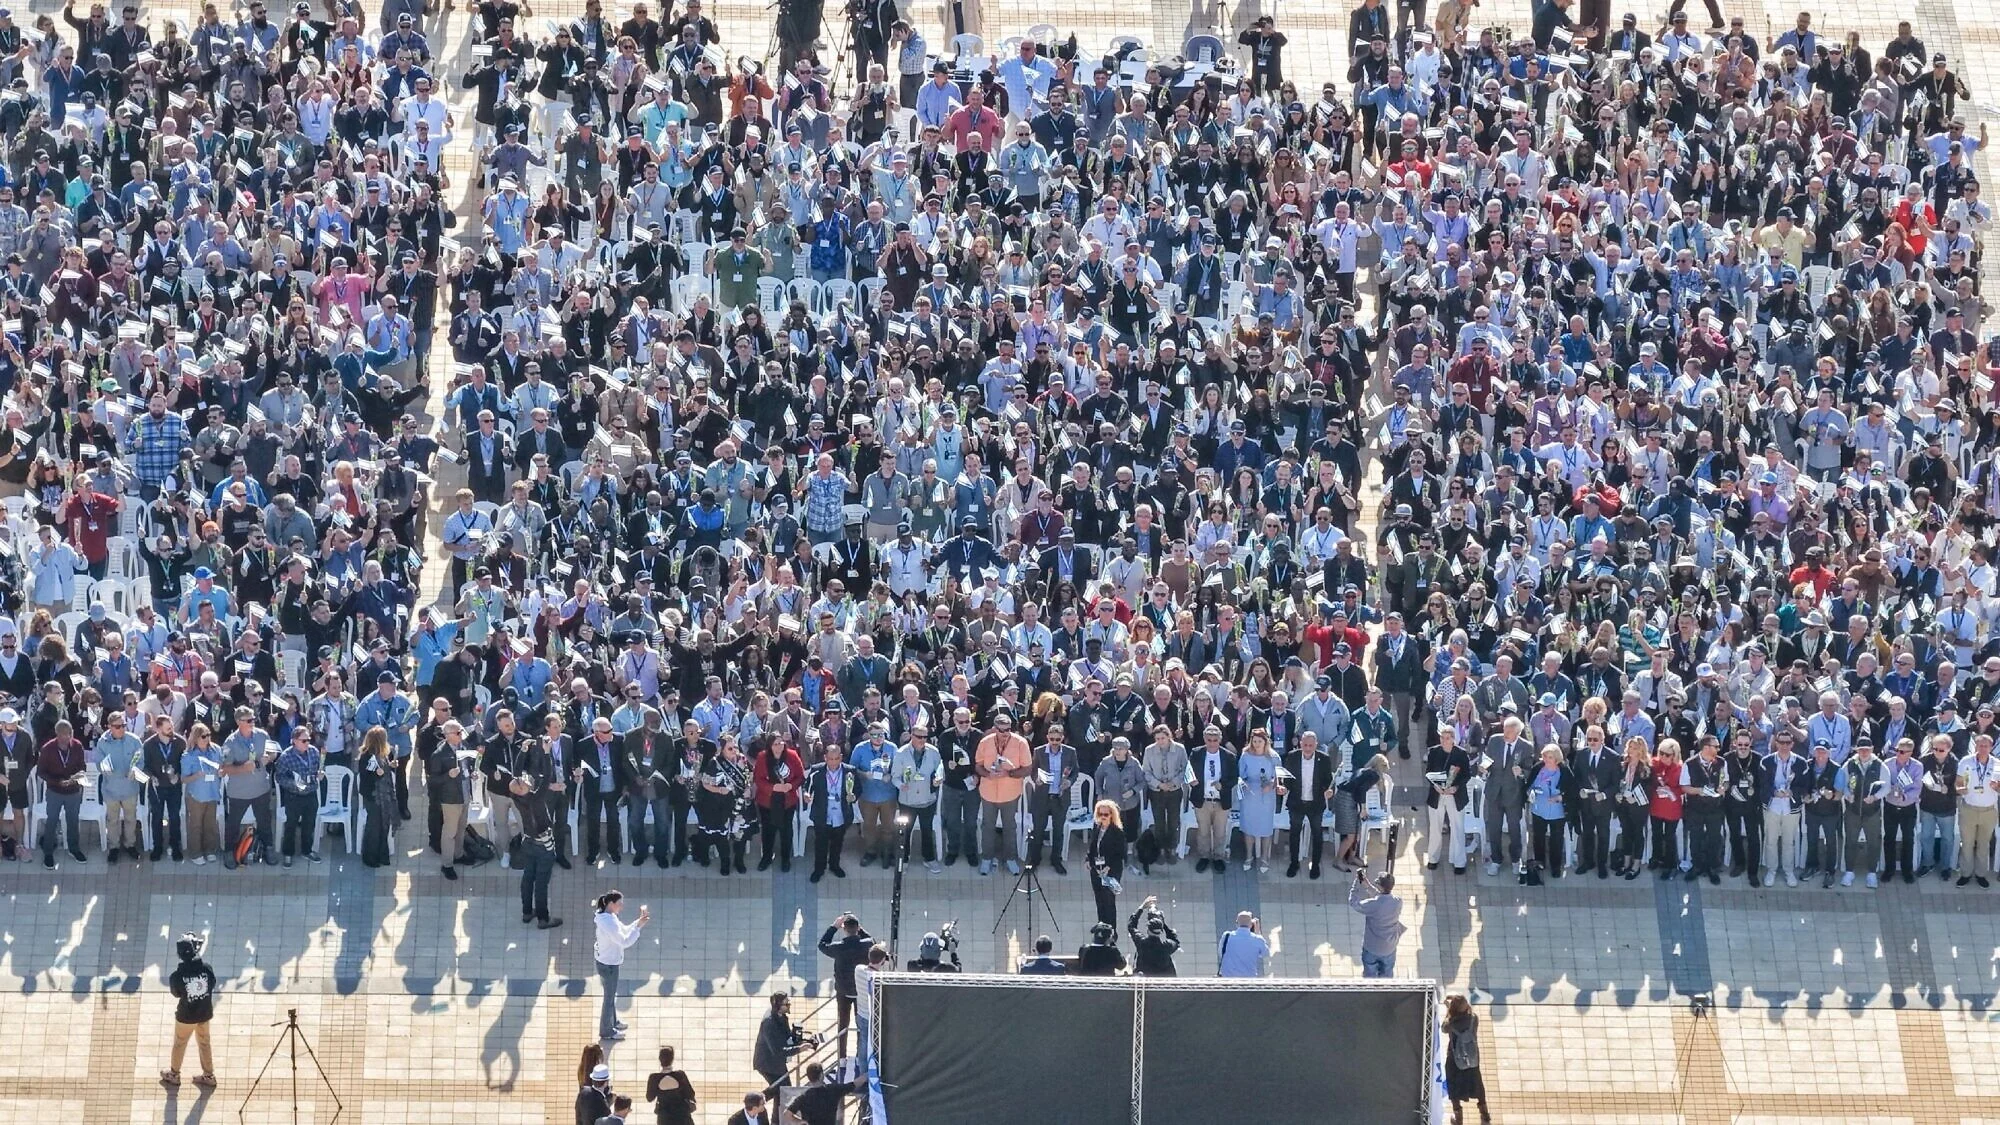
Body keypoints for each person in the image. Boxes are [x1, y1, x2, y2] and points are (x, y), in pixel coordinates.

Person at [159, 932, 218, 1089]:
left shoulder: (177, 976)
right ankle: (209, 1075)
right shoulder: (207, 969)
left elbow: (176, 993)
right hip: (204, 1013)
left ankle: (174, 1074)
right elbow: (212, 984)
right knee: (204, 1043)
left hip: (186, 1016)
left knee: (180, 1043)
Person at [593, 891, 649, 1041]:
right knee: (609, 998)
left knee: (610, 995)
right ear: (611, 904)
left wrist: (637, 923)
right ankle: (606, 1030)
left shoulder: (609, 917)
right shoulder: (608, 923)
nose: (622, 907)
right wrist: (638, 928)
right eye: (619, 904)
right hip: (608, 964)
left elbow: (623, 930)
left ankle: (613, 1022)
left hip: (607, 961)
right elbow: (624, 941)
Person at [817, 913, 872, 1055]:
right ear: (857, 928)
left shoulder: (838, 947)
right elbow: (874, 944)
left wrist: (834, 927)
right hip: (860, 991)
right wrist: (860, 929)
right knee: (861, 1023)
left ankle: (842, 1056)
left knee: (843, 1024)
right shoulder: (867, 944)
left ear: (844, 929)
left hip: (843, 991)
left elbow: (822, 945)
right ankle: (860, 1054)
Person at [1443, 994, 1490, 1125]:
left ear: (1453, 1009)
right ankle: (1484, 1114)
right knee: (1477, 1084)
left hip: (1455, 1060)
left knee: (1454, 1086)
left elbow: (1443, 1028)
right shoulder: (1474, 1019)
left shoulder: (1450, 1023)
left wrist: (1448, 1010)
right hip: (1472, 1058)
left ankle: (1458, 1118)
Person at [1349, 869, 1406, 977]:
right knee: (1387, 974)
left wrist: (1356, 883)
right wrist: (1368, 886)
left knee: (1370, 976)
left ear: (1380, 887)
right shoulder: (1398, 902)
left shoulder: (1372, 905)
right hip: (1389, 947)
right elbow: (1382, 897)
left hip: (1372, 947)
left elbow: (1353, 903)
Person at [753, 993, 808, 1092]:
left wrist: (801, 1040)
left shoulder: (781, 1016)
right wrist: (799, 1049)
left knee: (782, 1090)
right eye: (786, 1004)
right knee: (782, 1090)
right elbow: (778, 1051)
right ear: (778, 1006)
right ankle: (755, 1100)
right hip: (767, 1063)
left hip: (776, 1062)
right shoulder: (769, 1023)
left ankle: (757, 1099)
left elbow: (787, 1036)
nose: (789, 1006)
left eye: (788, 1003)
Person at [1085, 798, 1126, 927]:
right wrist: (1088, 859)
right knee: (1099, 900)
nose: (1103, 817)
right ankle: (1101, 926)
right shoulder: (1097, 827)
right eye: (1100, 814)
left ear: (1111, 815)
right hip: (1097, 870)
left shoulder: (1117, 832)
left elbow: (1121, 854)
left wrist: (1108, 867)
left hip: (1111, 872)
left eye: (1106, 814)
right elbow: (1092, 846)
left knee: (1109, 901)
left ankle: (1111, 929)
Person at [1127, 897, 1181, 976]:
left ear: (1148, 930)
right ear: (1161, 931)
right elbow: (1175, 941)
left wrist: (1141, 907)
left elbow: (1131, 926)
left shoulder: (1142, 943)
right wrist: (1163, 924)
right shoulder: (1166, 947)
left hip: (1145, 979)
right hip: (1162, 980)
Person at [645, 1046, 697, 1125]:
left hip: (664, 1118)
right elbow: (690, 1094)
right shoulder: (680, 1075)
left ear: (659, 1059)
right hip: (683, 1116)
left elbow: (649, 1098)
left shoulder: (654, 1078)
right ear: (672, 1059)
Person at [1218, 911, 1270, 977]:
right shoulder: (1258, 939)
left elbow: (1221, 953)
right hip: (1249, 978)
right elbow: (1265, 953)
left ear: (1237, 924)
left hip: (1228, 978)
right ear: (1251, 925)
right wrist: (1258, 932)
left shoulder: (1227, 936)